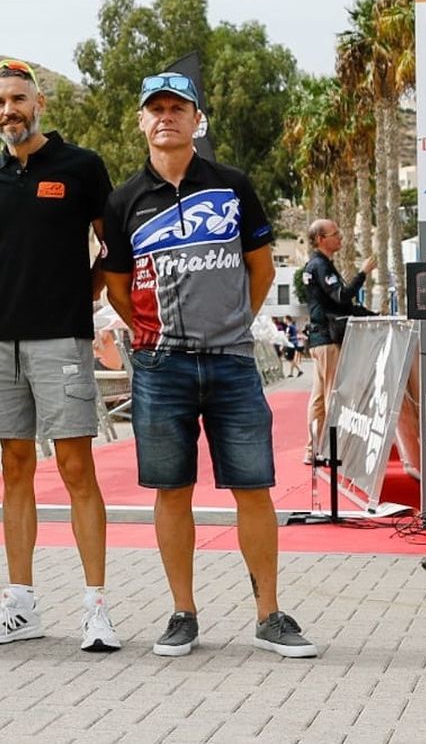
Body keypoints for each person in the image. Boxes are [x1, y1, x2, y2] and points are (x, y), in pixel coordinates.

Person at [100, 71, 319, 660]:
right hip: (159, 366)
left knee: (254, 488)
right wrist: (147, 332)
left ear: (198, 119)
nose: (166, 116)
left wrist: (230, 324)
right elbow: (116, 286)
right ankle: (182, 613)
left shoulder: (233, 185)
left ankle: (269, 615)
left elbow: (263, 269)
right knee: (171, 490)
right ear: (142, 122)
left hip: (231, 363)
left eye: (178, 107)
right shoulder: (122, 201)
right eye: (156, 109)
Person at [0, 57, 119, 652]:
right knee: (13, 469)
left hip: (63, 339)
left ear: (40, 104)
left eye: (19, 99)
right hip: (2, 339)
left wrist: (81, 295)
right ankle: (21, 604)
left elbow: (112, 246)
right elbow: (4, 250)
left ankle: (96, 608)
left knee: (77, 469)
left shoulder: (82, 167)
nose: (10, 110)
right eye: (0, 102)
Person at [301, 218, 374, 463]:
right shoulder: (319, 266)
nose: (340, 237)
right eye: (335, 234)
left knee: (320, 398)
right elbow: (342, 297)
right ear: (321, 239)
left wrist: (371, 315)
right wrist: (362, 273)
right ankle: (333, 449)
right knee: (333, 395)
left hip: (320, 338)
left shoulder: (317, 266)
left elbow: (341, 304)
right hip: (327, 339)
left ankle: (314, 449)